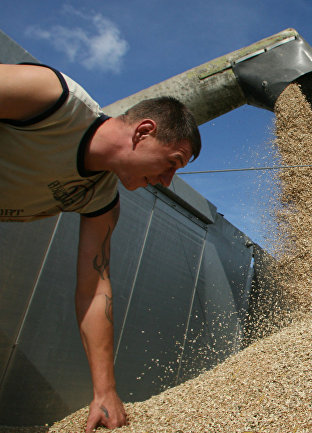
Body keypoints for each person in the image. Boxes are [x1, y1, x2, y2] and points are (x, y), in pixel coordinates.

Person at [0, 63, 201, 432]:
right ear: (143, 131)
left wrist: (105, 392)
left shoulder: (101, 199)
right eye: (172, 163)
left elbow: (94, 289)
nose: (168, 181)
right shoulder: (52, 99)